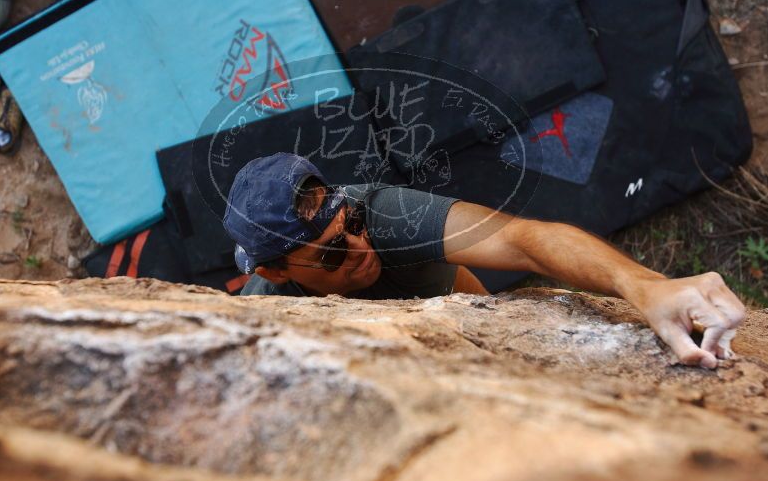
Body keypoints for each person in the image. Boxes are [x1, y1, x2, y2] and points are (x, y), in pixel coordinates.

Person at [223, 153, 745, 370]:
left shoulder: (377, 214)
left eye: (353, 225)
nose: (359, 246)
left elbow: (522, 240)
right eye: (332, 251)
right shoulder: (266, 315)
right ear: (275, 271)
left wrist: (646, 287)